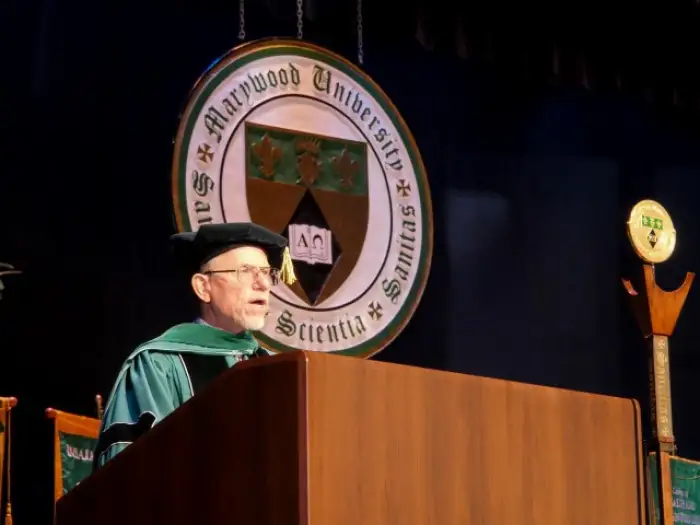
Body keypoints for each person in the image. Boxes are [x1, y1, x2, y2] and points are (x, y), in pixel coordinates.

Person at [92, 222, 296, 470]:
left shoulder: (276, 368)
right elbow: (130, 472)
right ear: (203, 287)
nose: (263, 284)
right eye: (246, 271)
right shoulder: (159, 364)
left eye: (266, 273)